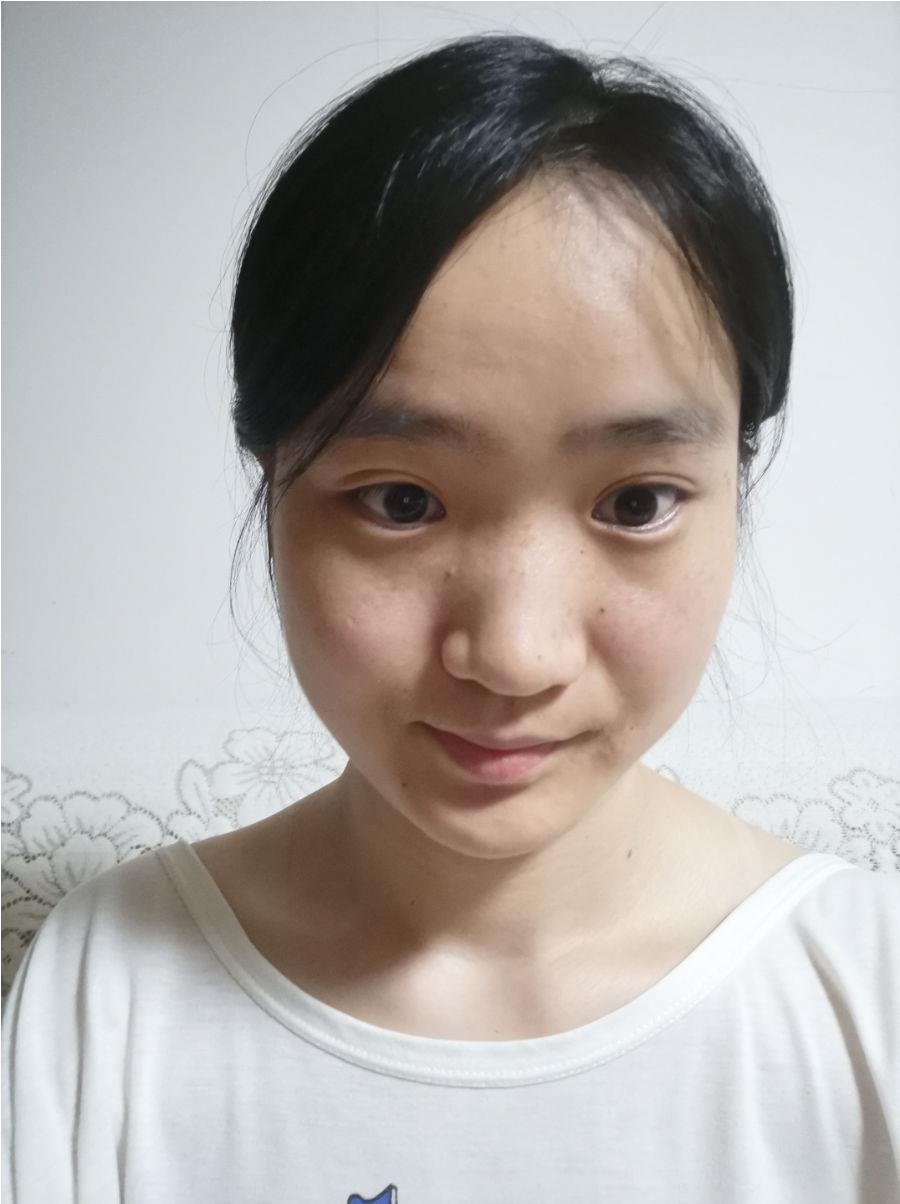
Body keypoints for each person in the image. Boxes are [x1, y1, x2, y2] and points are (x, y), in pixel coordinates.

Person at [1, 32, 897, 1204]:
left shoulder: (866, 994)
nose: (515, 655)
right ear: (272, 482)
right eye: (400, 501)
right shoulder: (109, 997)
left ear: (737, 480)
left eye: (635, 502)